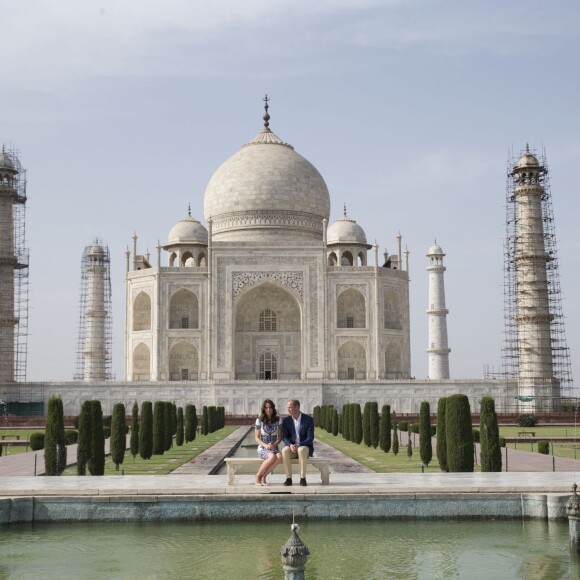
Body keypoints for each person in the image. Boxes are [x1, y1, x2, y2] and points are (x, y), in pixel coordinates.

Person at [281, 399, 314, 486]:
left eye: (290, 407)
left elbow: (310, 438)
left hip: (304, 447)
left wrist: (299, 445)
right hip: (292, 448)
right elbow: (284, 436)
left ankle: (303, 478)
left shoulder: (308, 419)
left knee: (301, 450)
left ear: (297, 407)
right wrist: (290, 445)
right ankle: (289, 478)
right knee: (284, 451)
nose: (288, 409)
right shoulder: (286, 420)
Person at [254, 399, 282, 486]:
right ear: (264, 409)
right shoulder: (259, 420)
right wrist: (266, 446)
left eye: (270, 407)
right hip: (263, 448)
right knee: (272, 456)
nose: (268, 409)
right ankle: (258, 476)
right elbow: (257, 437)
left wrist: (275, 444)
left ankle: (264, 477)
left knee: (279, 456)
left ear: (273, 408)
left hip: (274, 447)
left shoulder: (278, 420)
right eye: (266, 408)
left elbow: (280, 437)